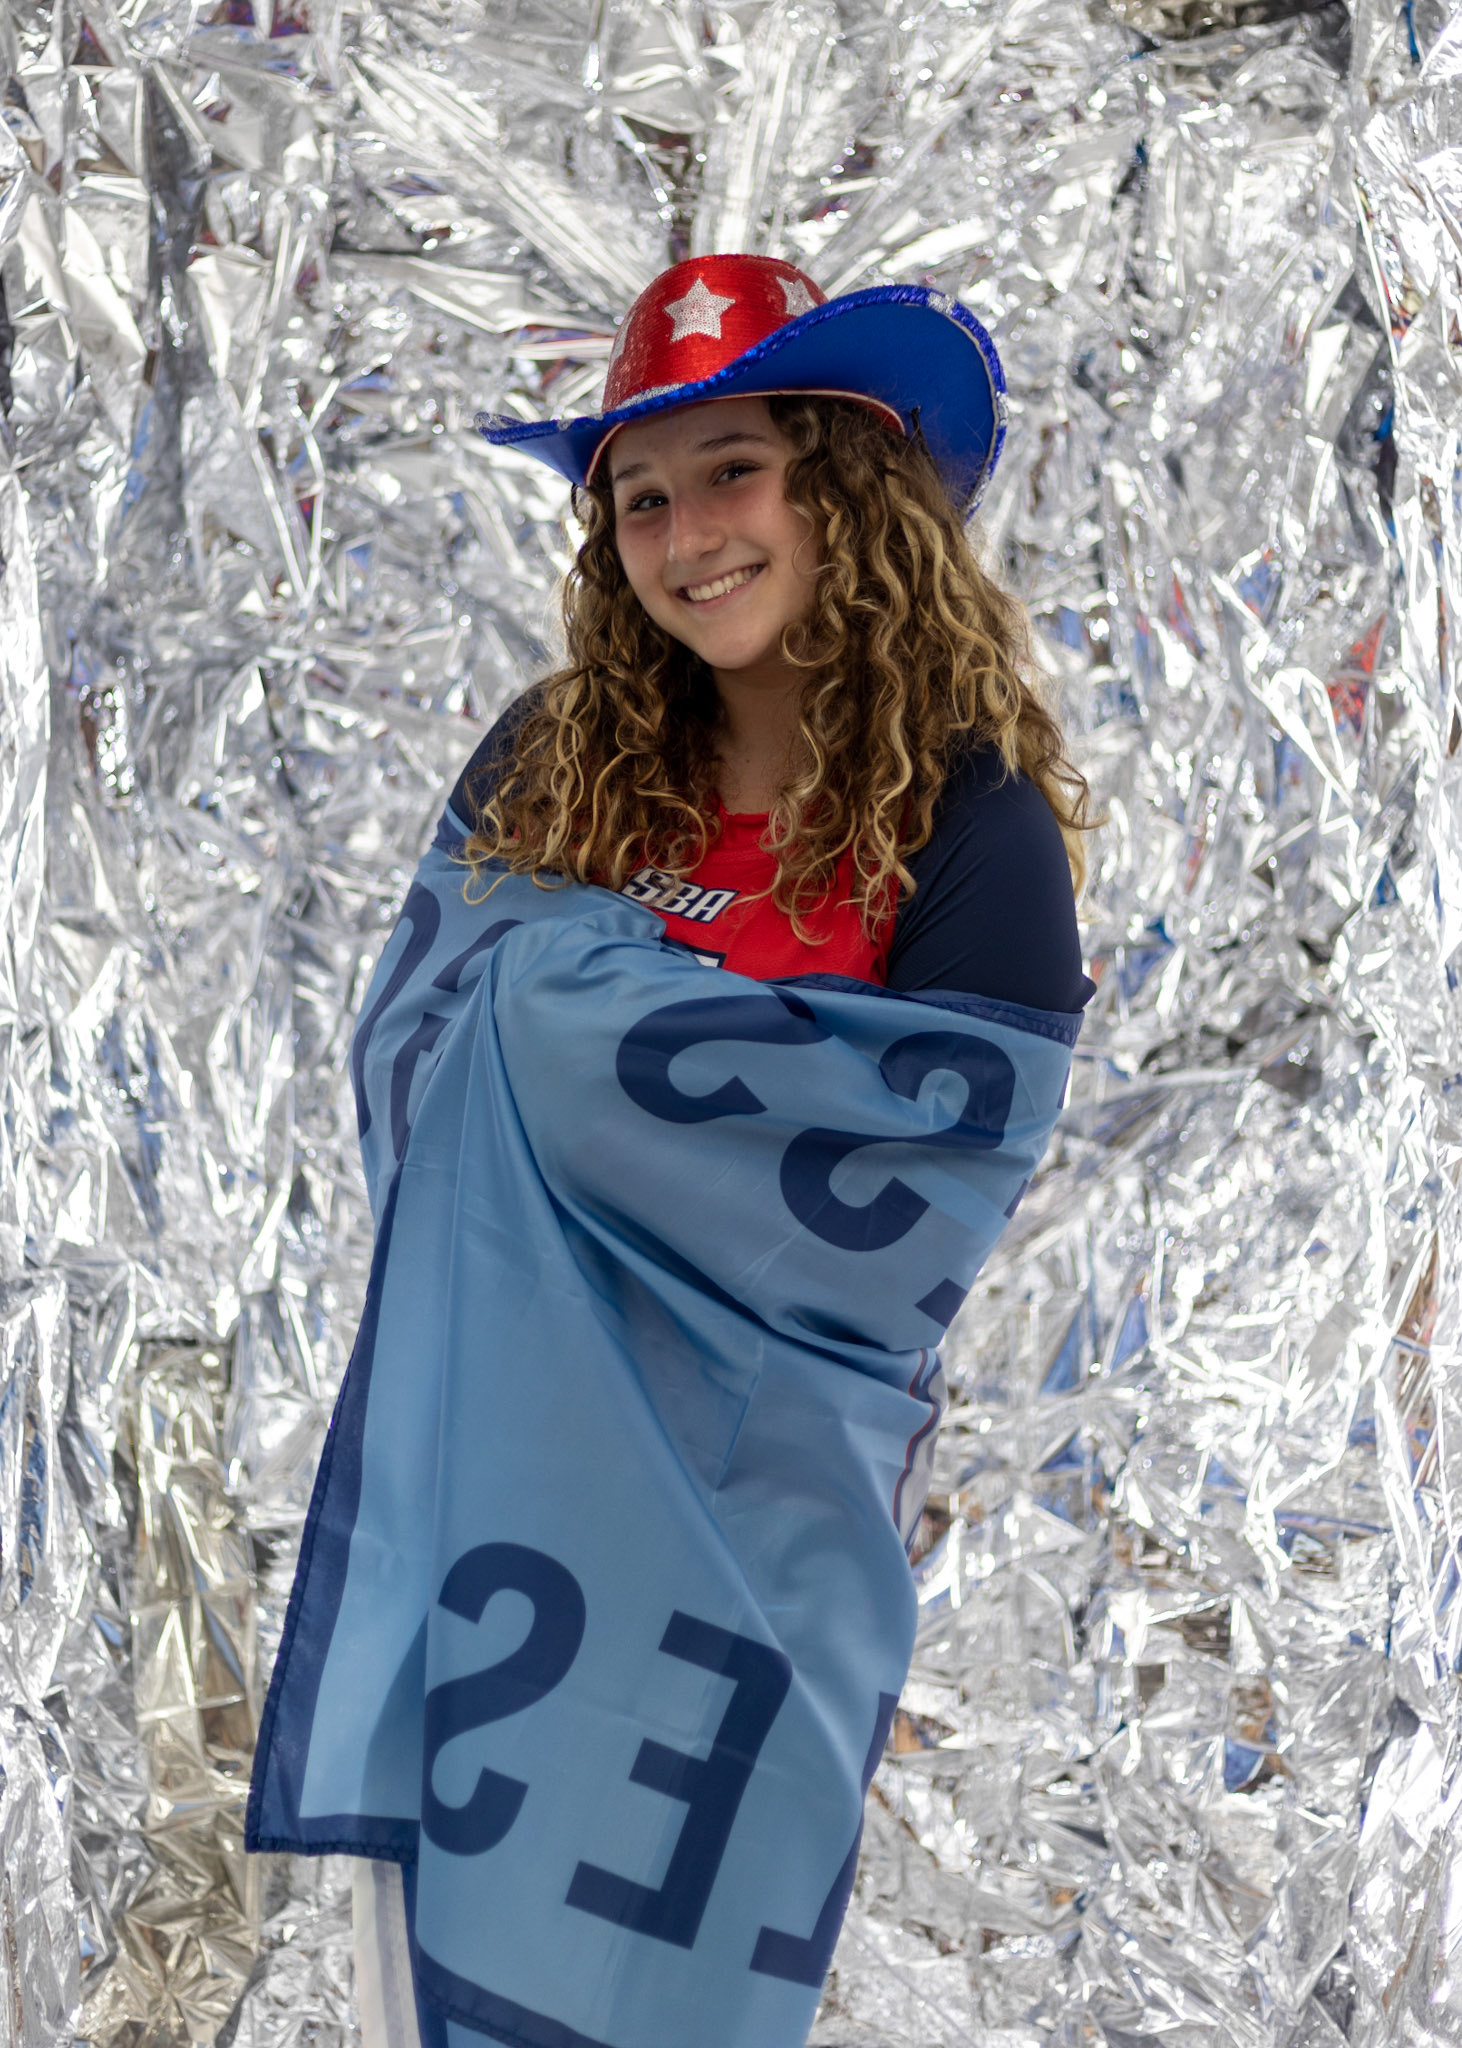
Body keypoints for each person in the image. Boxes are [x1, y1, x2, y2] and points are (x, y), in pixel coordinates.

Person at [247, 253, 1093, 2048]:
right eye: (639, 495)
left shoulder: (970, 826)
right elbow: (414, 1060)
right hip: (505, 1520)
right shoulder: (550, 764)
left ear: (844, 490)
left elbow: (930, 1203)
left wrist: (571, 1011)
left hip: (757, 1555)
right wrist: (632, 1044)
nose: (687, 533)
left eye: (733, 470)